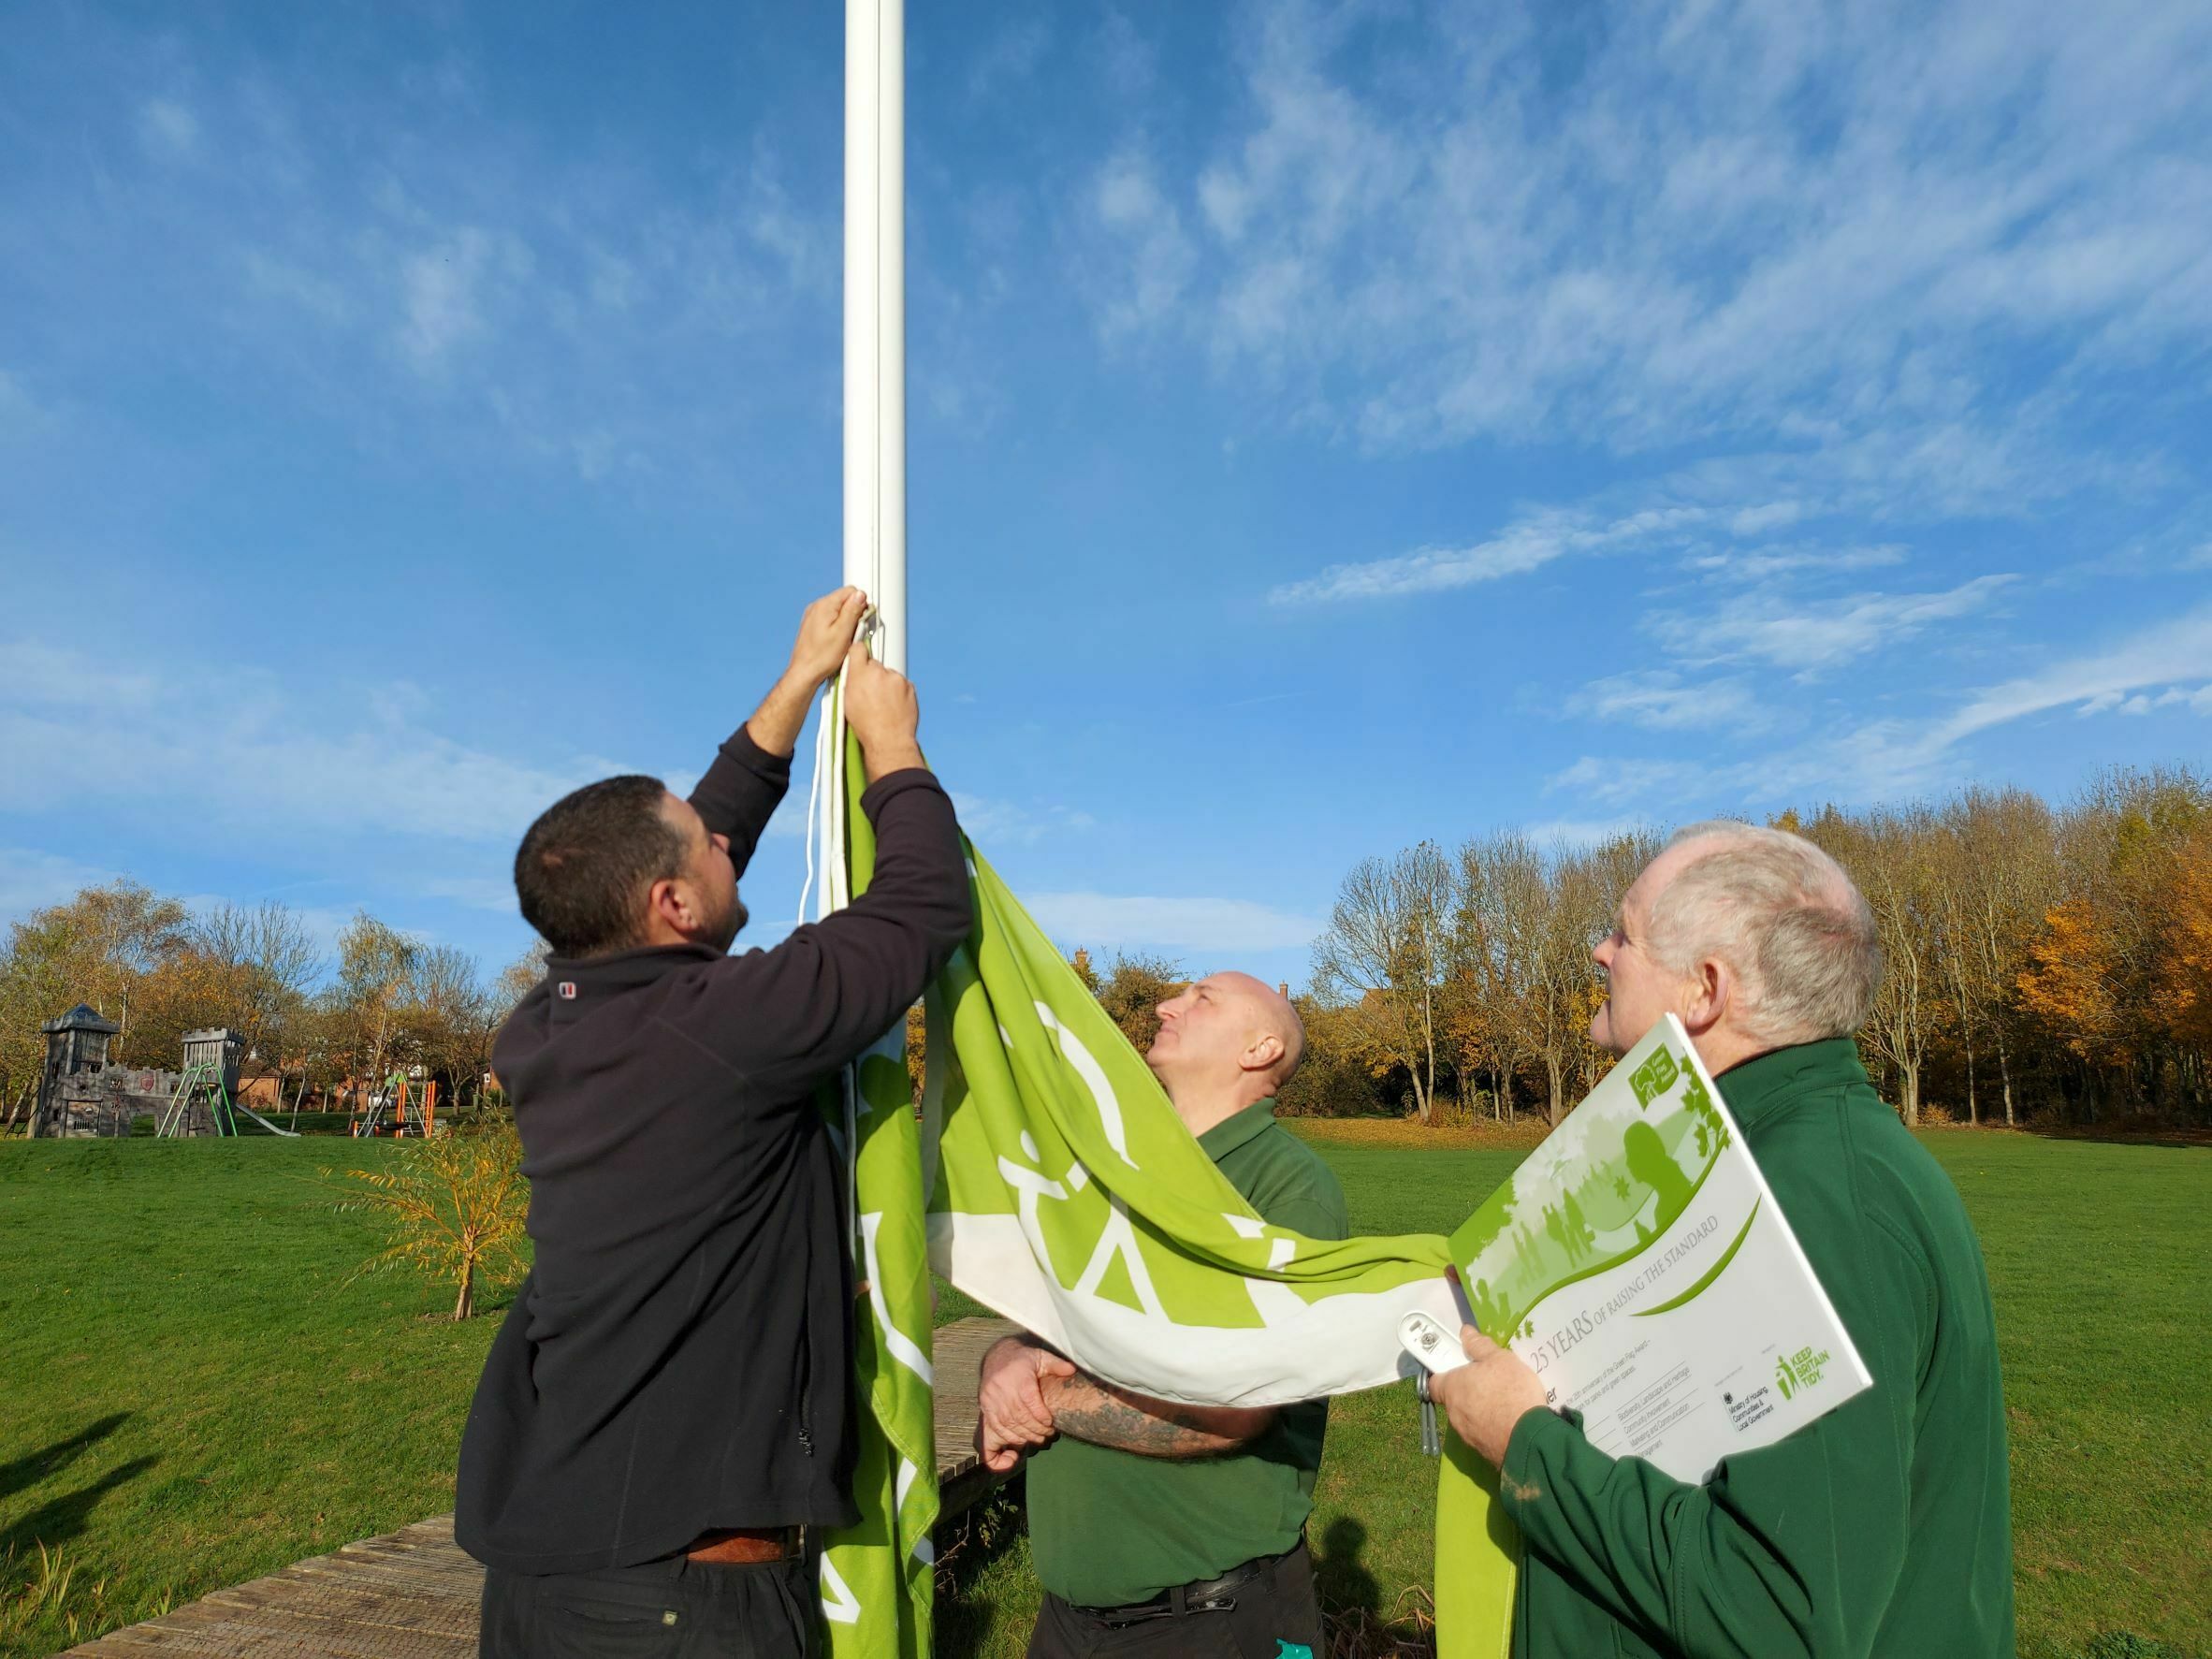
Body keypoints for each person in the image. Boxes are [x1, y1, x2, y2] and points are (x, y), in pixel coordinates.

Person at [455, 587, 972, 1658]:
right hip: (679, 1603)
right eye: (709, 848)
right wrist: (895, 751)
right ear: (671, 909)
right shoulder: (720, 1028)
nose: (727, 844)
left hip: (547, 1578)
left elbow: (684, 840)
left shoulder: (550, 1025)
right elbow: (923, 906)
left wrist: (795, 688)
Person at [1429, 822, 2015, 1658]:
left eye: (1624, 933)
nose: (1600, 951)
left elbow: (1776, 1612)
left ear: (1705, 990)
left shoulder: (1813, 1195)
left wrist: (1525, 1442)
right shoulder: (1745, 1165)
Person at [976, 971, 1342, 1659]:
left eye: (1202, 998)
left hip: (1206, 1624)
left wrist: (1046, 1402)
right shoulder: (1121, 1172)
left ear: (1260, 1047)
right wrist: (1007, 1359)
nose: (1166, 1004)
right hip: (1068, 1622)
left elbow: (1237, 1405)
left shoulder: (1289, 1188)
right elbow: (1060, 1327)